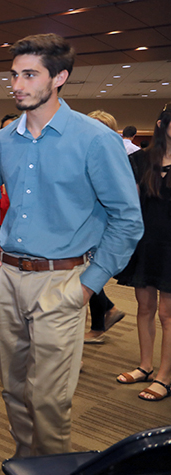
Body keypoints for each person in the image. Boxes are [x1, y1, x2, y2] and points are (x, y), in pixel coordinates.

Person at [0, 33, 142, 475]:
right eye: (14, 74)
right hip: (7, 277)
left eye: (29, 75)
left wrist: (90, 284)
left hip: (63, 280)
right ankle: (26, 468)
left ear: (59, 78)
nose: (17, 84)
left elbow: (127, 219)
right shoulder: (4, 139)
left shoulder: (95, 139)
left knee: (48, 398)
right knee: (13, 388)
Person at [116, 104, 171, 401]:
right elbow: (128, 200)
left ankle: (165, 376)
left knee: (168, 314)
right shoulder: (142, 158)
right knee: (145, 308)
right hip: (146, 241)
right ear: (163, 124)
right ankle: (145, 366)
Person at [83, 110, 126, 343]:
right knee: (88, 273)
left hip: (100, 226)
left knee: (88, 273)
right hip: (89, 224)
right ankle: (102, 320)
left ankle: (105, 314)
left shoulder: (112, 158)